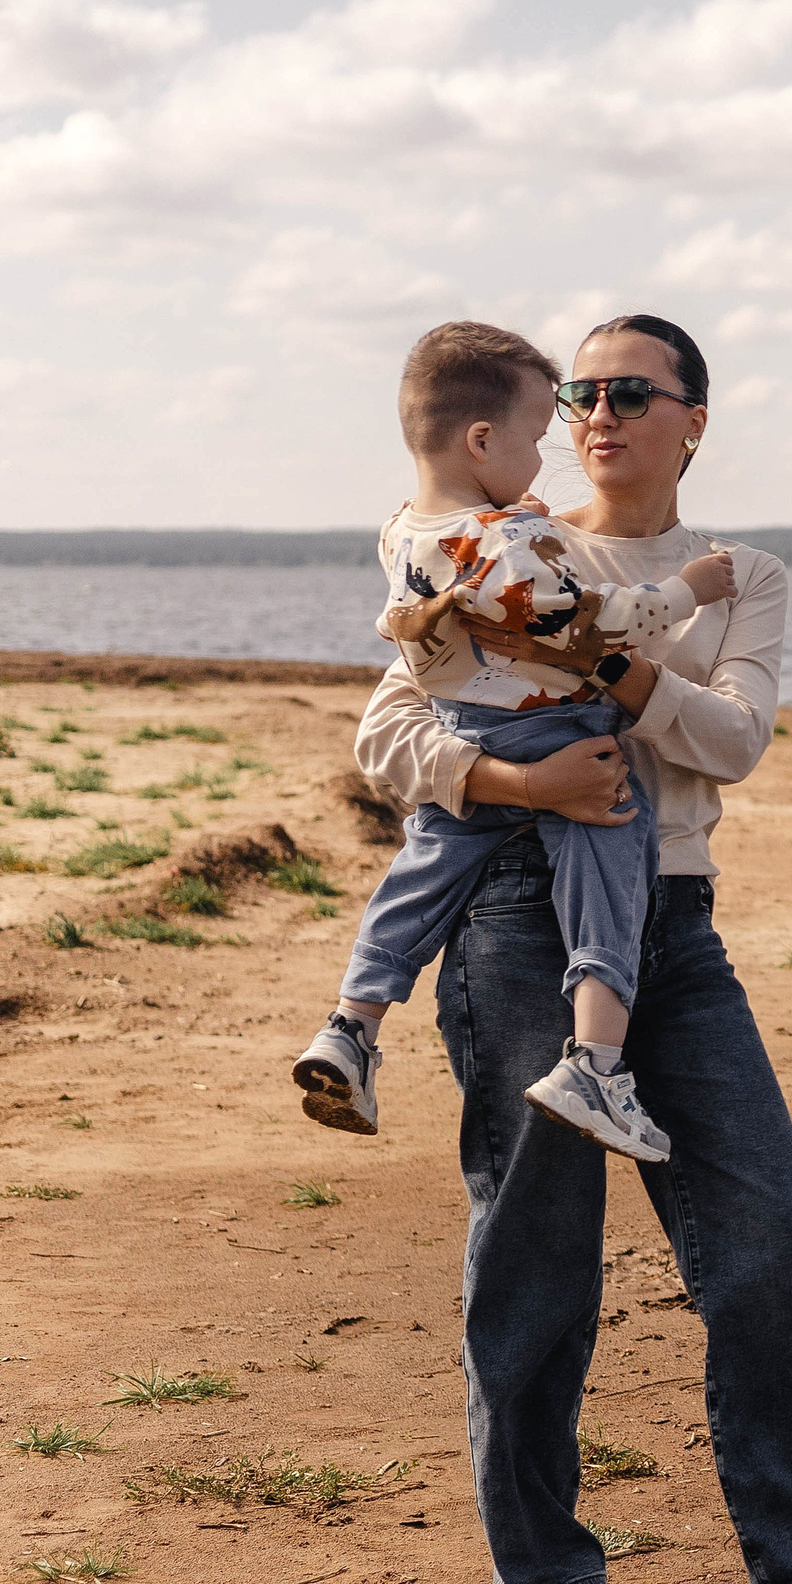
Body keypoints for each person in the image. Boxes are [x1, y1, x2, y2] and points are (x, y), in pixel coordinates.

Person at [351, 313, 792, 1584]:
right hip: (517, 916)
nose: (600, 411)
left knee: (771, 1250)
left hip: (675, 931)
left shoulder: (741, 576)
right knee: (539, 1260)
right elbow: (386, 731)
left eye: (634, 391)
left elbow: (733, 743)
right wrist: (522, 780)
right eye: (580, 391)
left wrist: (604, 665)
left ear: (694, 417)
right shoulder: (503, 540)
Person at [293, 322, 736, 1163]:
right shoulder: (516, 539)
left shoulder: (404, 532)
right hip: (555, 727)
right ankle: (596, 1061)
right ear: (483, 440)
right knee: (611, 841)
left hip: (466, 728)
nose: (551, 452)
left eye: (631, 395)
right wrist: (685, 590)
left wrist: (517, 527)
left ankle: (352, 1023)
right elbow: (595, 627)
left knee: (425, 864)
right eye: (546, 429)